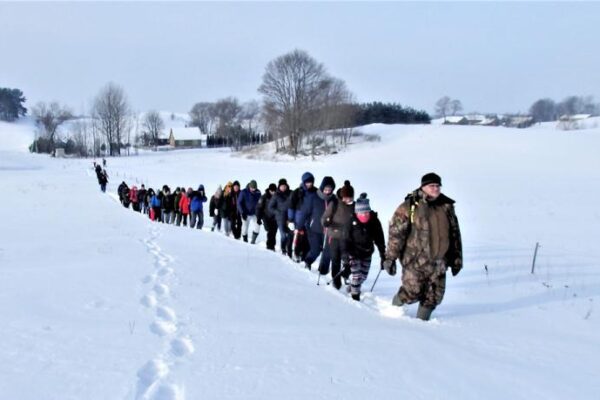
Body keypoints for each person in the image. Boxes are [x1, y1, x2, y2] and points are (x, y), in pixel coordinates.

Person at [383, 172, 463, 321]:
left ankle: (422, 326)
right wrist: (390, 258)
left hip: (439, 261)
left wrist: (457, 259)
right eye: (432, 186)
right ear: (423, 187)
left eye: (438, 186)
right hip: (415, 261)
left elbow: (455, 234)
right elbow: (396, 234)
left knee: (434, 297)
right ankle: (391, 311)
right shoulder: (410, 206)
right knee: (411, 292)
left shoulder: (446, 206)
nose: (436, 189)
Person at [341, 193, 386, 299]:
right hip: (353, 252)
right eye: (362, 213)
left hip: (367, 252)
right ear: (357, 213)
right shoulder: (350, 221)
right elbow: (344, 240)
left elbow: (379, 238)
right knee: (356, 276)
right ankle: (355, 298)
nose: (365, 215)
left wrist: (383, 254)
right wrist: (345, 258)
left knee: (363, 277)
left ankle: (353, 287)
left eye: (367, 212)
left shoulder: (374, 221)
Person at [322, 180, 355, 288]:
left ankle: (345, 275)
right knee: (335, 259)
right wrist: (326, 222)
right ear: (342, 196)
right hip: (334, 236)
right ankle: (336, 280)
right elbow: (324, 218)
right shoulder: (335, 204)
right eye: (346, 197)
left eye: (350, 198)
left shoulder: (354, 206)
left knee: (348, 261)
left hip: (348, 238)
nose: (348, 200)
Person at [303, 176, 336, 271]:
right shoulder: (314, 197)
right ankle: (308, 261)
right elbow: (306, 212)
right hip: (314, 229)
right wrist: (305, 225)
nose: (327, 191)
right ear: (322, 188)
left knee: (328, 251)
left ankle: (323, 270)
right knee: (316, 250)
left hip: (328, 230)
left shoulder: (334, 199)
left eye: (330, 189)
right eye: (325, 189)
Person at [287, 172, 316, 263]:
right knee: (297, 238)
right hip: (298, 219)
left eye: (311, 182)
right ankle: (294, 254)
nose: (309, 184)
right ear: (303, 182)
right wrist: (291, 220)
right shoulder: (297, 192)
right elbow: (291, 206)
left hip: (311, 220)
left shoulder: (316, 192)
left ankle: (305, 256)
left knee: (307, 239)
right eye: (307, 182)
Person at [269, 178, 292, 257]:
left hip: (289, 217)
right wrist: (277, 212)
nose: (283, 187)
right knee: (283, 235)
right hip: (280, 218)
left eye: (284, 186)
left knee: (290, 234)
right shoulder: (276, 195)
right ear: (279, 186)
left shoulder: (291, 193)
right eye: (282, 186)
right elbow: (270, 207)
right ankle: (283, 249)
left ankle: (289, 250)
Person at [256, 183, 277, 250]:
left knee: (274, 232)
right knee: (270, 231)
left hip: (275, 217)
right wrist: (258, 218)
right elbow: (259, 208)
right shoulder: (264, 197)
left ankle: (272, 246)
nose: (273, 192)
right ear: (269, 190)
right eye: (271, 191)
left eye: (274, 191)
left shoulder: (277, 196)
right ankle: (269, 246)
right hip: (266, 217)